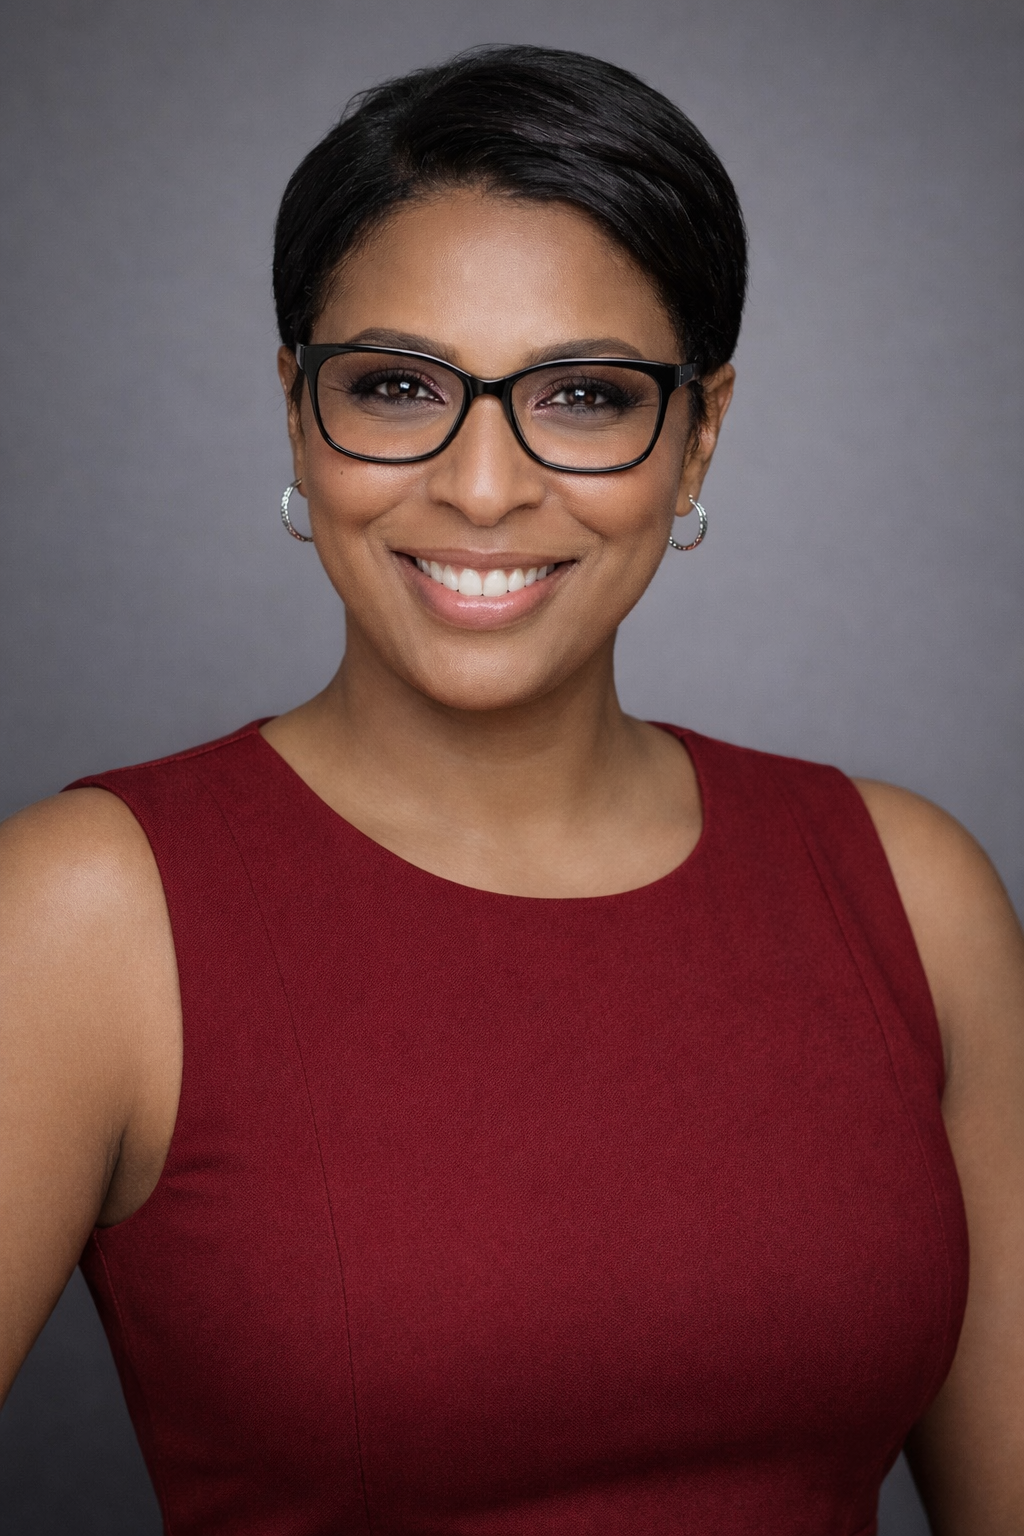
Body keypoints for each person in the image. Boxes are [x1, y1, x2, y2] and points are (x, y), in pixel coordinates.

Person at [0, 43, 1021, 1535]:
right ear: (298, 410)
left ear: (697, 436)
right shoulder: (86, 913)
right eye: (399, 386)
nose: (484, 487)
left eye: (588, 396)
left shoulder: (908, 889)